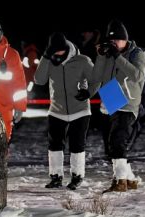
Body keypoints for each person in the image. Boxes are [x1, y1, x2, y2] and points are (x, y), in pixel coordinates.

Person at [35, 32, 99, 190]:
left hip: (80, 110)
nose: (58, 55)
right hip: (56, 110)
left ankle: (77, 176)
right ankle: (56, 177)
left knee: (77, 144)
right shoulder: (49, 60)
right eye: (54, 52)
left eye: (60, 52)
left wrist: (88, 93)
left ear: (66, 48)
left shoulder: (82, 61)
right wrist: (45, 57)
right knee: (55, 145)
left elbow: (96, 79)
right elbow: (39, 79)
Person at [93, 20, 145, 192]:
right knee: (112, 144)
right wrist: (102, 55)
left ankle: (120, 181)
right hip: (111, 99)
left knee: (117, 141)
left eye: (117, 40)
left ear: (125, 40)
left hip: (128, 101)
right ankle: (130, 179)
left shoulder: (137, 54)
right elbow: (97, 76)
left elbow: (137, 75)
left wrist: (117, 57)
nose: (114, 44)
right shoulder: (109, 54)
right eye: (111, 41)